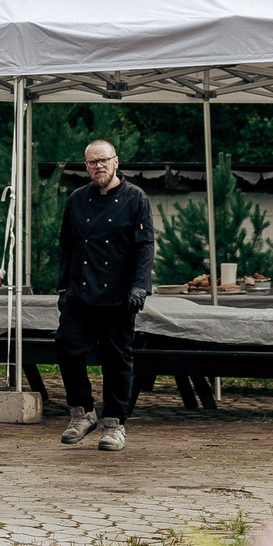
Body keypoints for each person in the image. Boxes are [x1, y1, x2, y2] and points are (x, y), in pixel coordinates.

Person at [55, 139, 156, 451]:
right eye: (91, 162)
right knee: (66, 345)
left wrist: (140, 286)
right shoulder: (76, 199)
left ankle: (114, 423)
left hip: (119, 294)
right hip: (80, 291)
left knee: (116, 359)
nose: (97, 167)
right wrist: (62, 287)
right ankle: (82, 412)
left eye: (102, 161)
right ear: (86, 167)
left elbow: (144, 247)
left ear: (116, 162)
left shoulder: (135, 198)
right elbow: (67, 246)